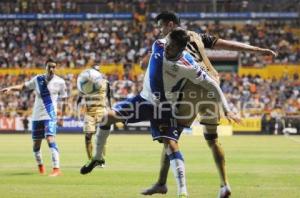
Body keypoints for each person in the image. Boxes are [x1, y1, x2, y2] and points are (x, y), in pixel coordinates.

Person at [80, 28, 240, 198]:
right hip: (143, 100)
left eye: (171, 46)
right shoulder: (159, 45)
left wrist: (227, 109)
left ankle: (182, 192)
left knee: (171, 145)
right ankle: (97, 158)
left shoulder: (189, 66)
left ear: (180, 49)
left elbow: (212, 85)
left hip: (164, 109)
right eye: (167, 42)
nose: (166, 47)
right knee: (106, 117)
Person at [141, 11, 277, 198]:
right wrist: (257, 50)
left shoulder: (168, 43)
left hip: (192, 88)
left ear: (171, 25)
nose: (160, 31)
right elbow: (227, 44)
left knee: (170, 137)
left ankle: (161, 183)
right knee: (212, 139)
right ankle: (224, 185)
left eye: (161, 27)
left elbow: (151, 64)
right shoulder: (197, 36)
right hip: (212, 86)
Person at [0, 59, 68, 176]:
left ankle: (56, 169)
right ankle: (41, 166)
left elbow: (65, 100)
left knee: (50, 139)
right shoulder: (37, 79)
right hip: (37, 116)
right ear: (45, 67)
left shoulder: (60, 82)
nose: (51, 69)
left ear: (55, 68)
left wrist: (62, 117)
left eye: (53, 67)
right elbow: (23, 86)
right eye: (49, 67)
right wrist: (10, 88)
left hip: (50, 115)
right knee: (36, 144)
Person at [76, 65, 111, 164]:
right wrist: (77, 111)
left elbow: (109, 97)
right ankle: (91, 160)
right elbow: (79, 99)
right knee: (87, 137)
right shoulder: (84, 83)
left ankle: (101, 159)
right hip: (89, 113)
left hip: (102, 111)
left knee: (101, 137)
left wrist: (110, 109)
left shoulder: (106, 83)